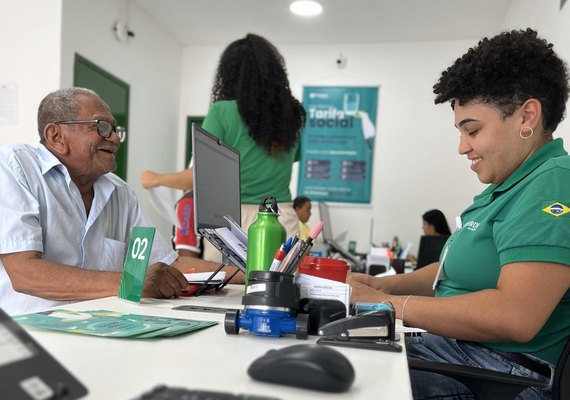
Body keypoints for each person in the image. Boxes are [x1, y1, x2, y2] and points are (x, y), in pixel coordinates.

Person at [347, 28, 570, 400]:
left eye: (473, 130)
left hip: (501, 373)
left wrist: (388, 305)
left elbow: (516, 315)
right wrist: (381, 285)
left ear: (527, 116)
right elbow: (449, 272)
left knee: (344, 378)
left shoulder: (552, 183)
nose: (462, 147)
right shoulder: (503, 189)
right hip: (460, 352)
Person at [0, 88, 226, 316]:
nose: (115, 138)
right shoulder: (14, 169)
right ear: (56, 137)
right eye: (102, 127)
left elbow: (169, 265)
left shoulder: (120, 192)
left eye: (116, 130)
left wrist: (248, 274)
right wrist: (130, 283)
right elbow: (24, 273)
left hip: (99, 329)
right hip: (28, 333)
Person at [141, 33, 306, 262]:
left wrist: (155, 178)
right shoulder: (292, 116)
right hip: (280, 219)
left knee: (224, 295)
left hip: (230, 224)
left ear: (228, 75)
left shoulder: (222, 112)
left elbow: (199, 178)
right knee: (280, 293)